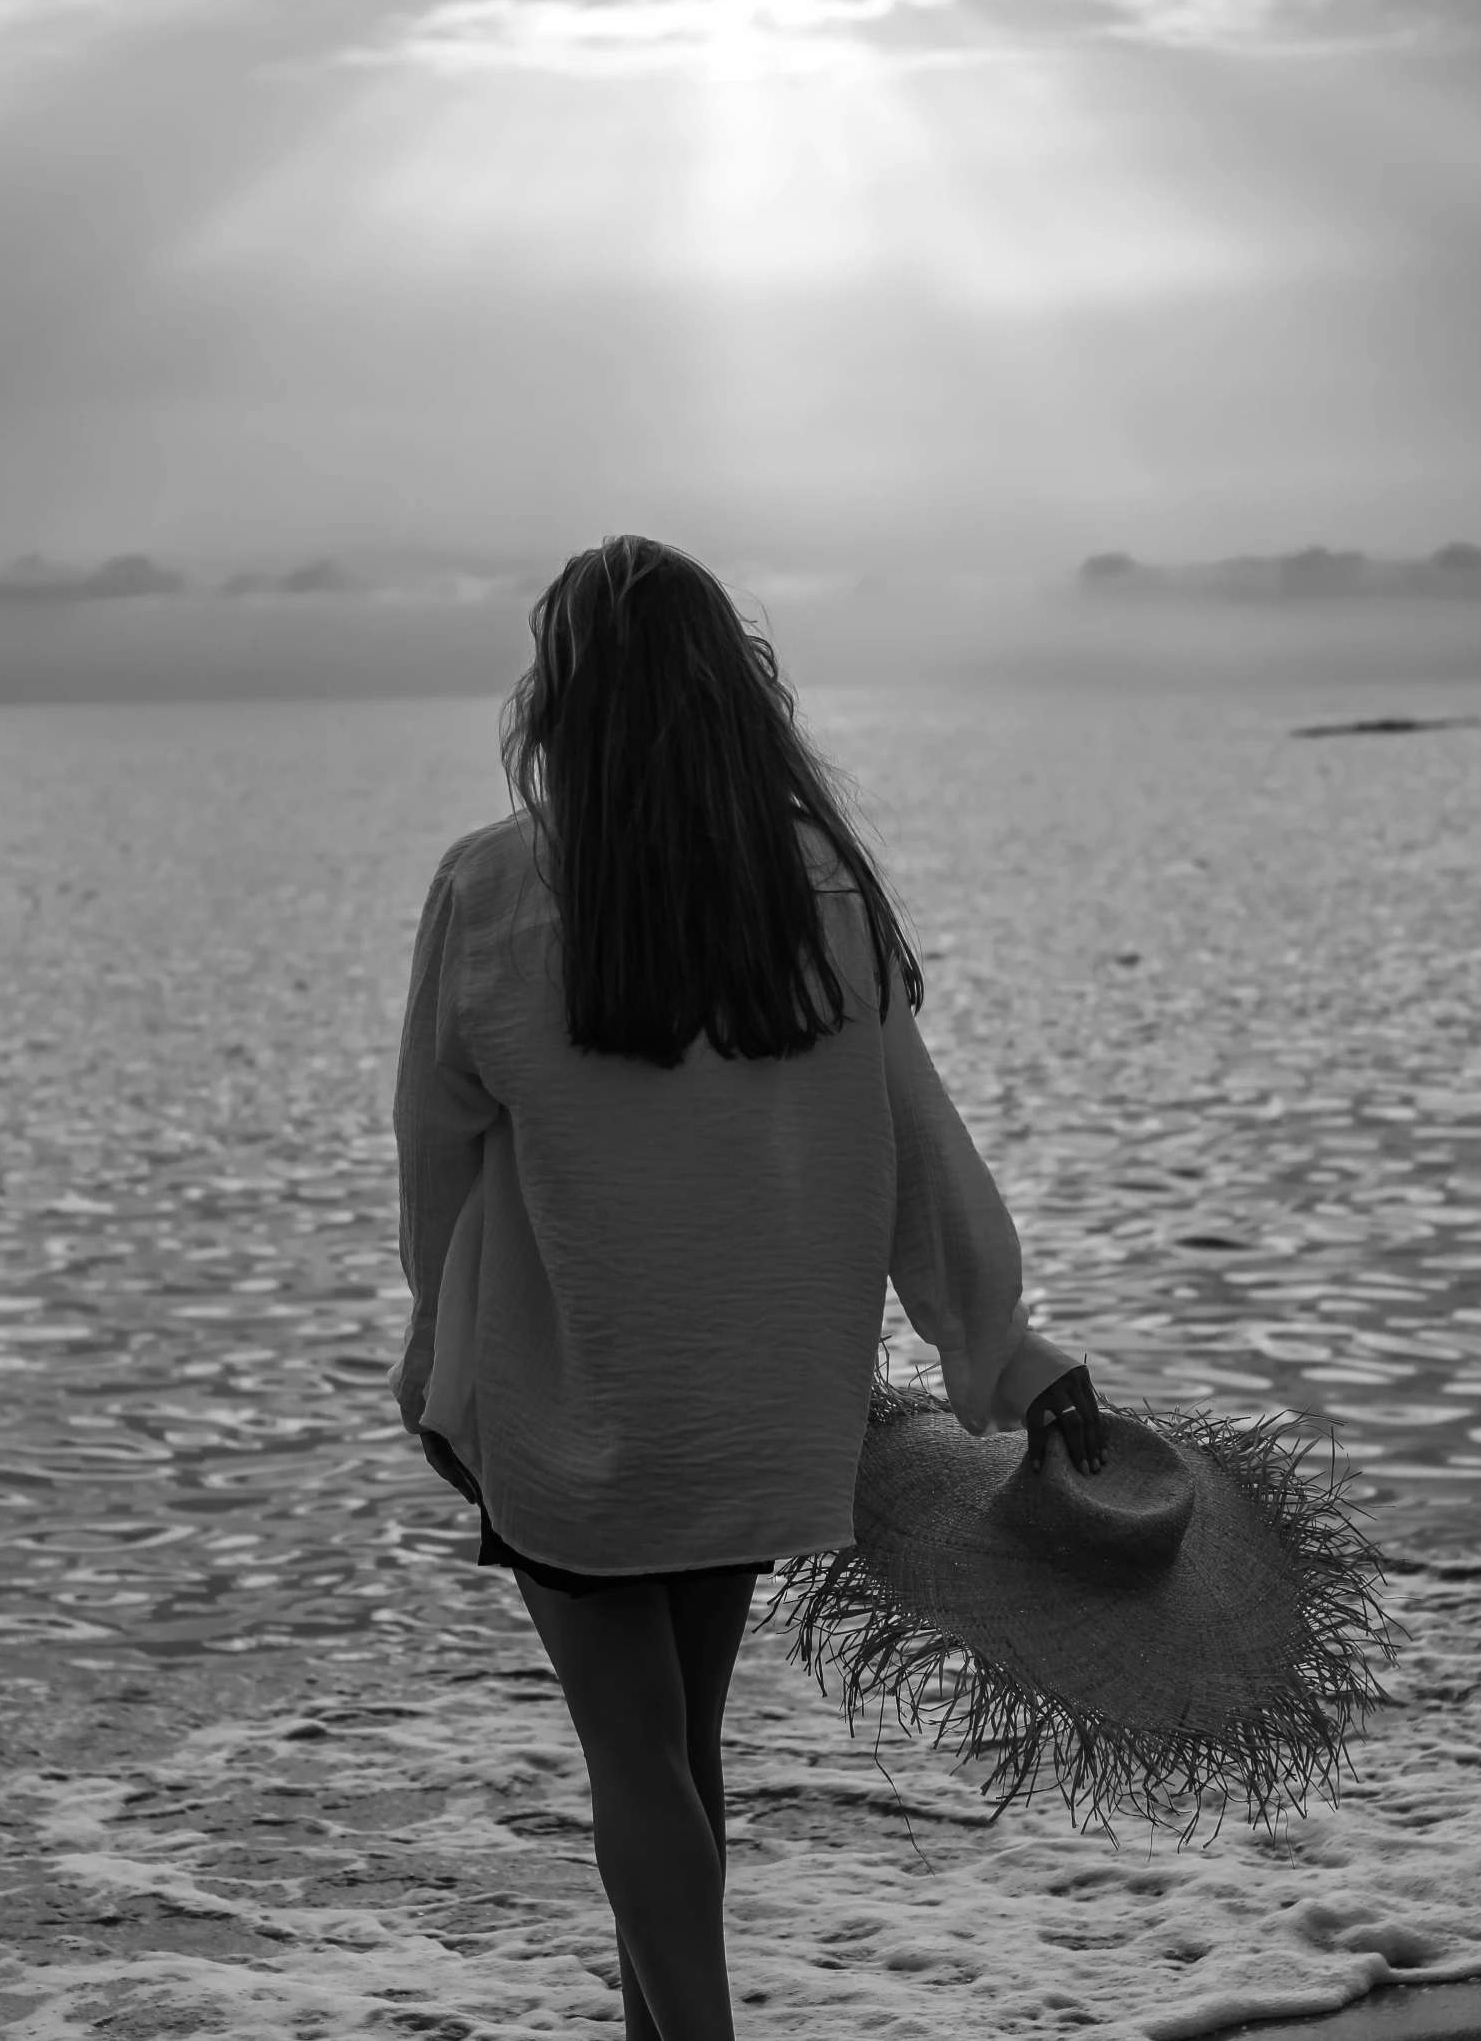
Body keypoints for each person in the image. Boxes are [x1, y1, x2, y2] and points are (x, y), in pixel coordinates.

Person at [390, 535, 1106, 2041]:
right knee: (684, 1749)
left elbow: (438, 1153)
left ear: (563, 700)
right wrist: (996, 1346)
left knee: (632, 1757)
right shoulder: (820, 887)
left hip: (579, 1401)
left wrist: (423, 1345)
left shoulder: (491, 884)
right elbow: (919, 1144)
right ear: (734, 692)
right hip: (762, 1406)